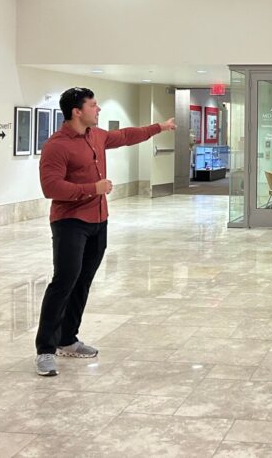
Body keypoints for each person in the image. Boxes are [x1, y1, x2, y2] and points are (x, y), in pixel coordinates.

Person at [35, 87, 176, 376]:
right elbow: (51, 188)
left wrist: (159, 127)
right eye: (94, 105)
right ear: (77, 111)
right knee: (63, 283)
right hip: (70, 222)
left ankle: (67, 339)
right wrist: (93, 189)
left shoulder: (96, 136)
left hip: (99, 222)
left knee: (83, 282)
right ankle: (45, 350)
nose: (98, 110)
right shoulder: (57, 145)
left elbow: (125, 136)